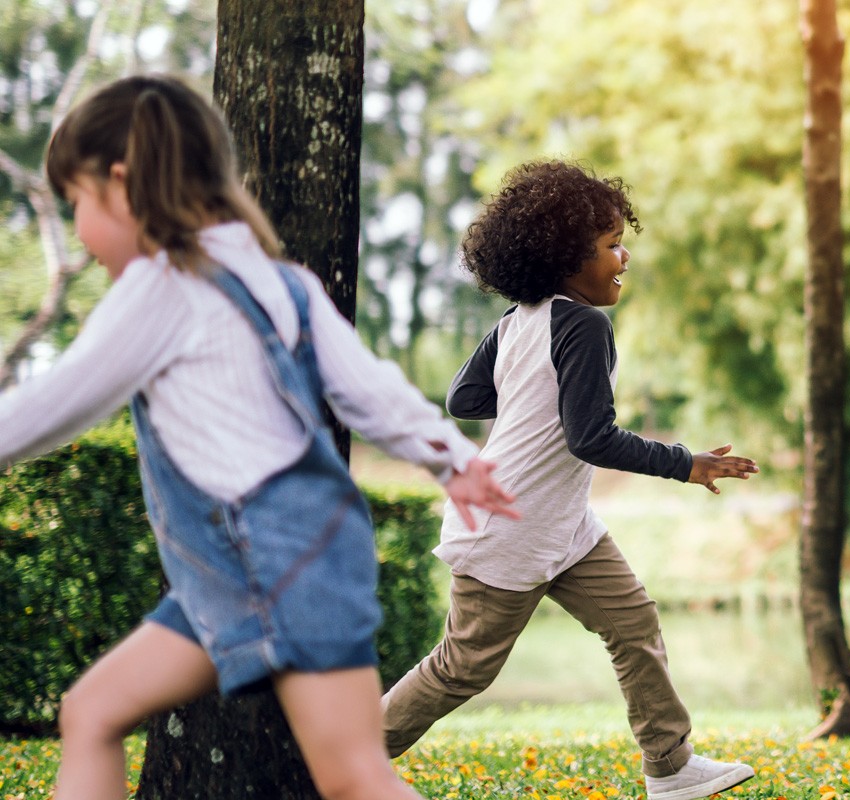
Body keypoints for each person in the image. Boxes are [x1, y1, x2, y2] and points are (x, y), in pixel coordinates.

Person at [0, 74, 520, 799]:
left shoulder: (163, 286)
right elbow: (368, 388)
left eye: (77, 202)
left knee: (354, 778)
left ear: (121, 185)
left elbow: (50, 406)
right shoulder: (282, 281)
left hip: (272, 561)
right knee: (91, 712)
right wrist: (452, 459)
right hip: (243, 570)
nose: (80, 230)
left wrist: (453, 460)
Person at [380, 159, 759, 800]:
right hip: (511, 524)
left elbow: (466, 398)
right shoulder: (583, 325)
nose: (623, 256)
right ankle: (338, 762)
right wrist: (686, 463)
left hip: (561, 524)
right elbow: (591, 437)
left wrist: (530, 396)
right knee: (462, 667)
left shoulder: (516, 321)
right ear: (564, 260)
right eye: (611, 245)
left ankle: (669, 768)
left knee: (633, 622)